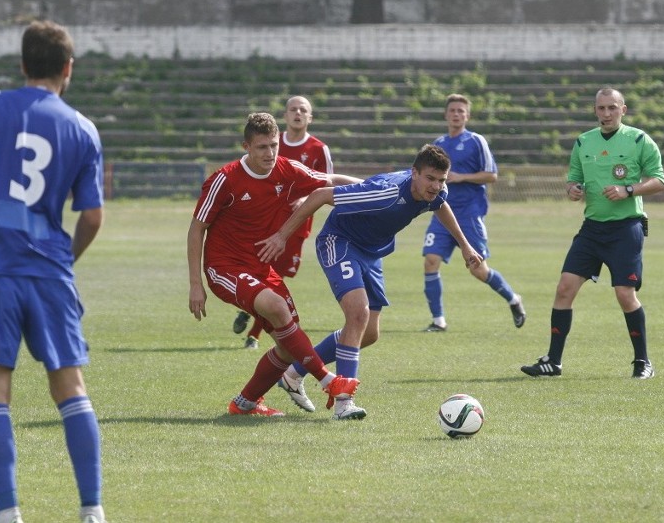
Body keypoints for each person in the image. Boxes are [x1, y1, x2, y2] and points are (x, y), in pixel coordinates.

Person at [0, 20, 107, 523]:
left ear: (22, 64)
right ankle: (92, 510)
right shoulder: (82, 127)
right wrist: (64, 261)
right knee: (70, 387)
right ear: (68, 69)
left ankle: (9, 515)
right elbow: (93, 215)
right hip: (50, 268)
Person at [257, 144, 483, 420]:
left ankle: (294, 374)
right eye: (430, 179)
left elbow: (441, 205)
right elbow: (320, 195)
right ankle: (343, 401)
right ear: (414, 173)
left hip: (372, 253)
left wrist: (466, 246)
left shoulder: (436, 191)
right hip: (340, 241)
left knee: (369, 333)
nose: (436, 186)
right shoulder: (385, 193)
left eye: (441, 180)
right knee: (358, 312)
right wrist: (282, 236)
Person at [187, 112, 361, 417]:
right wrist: (195, 284)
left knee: (286, 345)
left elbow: (330, 183)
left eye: (274, 145)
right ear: (246, 147)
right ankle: (330, 381)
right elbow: (197, 228)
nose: (270, 153)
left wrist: (378, 187)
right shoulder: (224, 179)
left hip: (260, 267)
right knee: (278, 309)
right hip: (223, 267)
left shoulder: (286, 169)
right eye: (262, 147)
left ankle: (245, 403)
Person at [521, 87, 664, 379]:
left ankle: (643, 362)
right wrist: (573, 190)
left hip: (626, 228)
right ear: (595, 110)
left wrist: (629, 189)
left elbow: (659, 180)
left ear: (623, 110)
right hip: (592, 229)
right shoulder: (583, 142)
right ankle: (553, 361)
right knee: (564, 288)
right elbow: (574, 180)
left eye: (612, 108)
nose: (606, 114)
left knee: (624, 294)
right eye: (601, 108)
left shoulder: (639, 140)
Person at [232, 95, 334, 349]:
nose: (297, 113)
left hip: (297, 225)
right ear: (285, 115)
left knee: (277, 275)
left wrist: (304, 200)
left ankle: (251, 314)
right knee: (265, 272)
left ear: (310, 117)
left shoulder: (318, 149)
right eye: (292, 109)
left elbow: (327, 182)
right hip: (267, 221)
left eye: (303, 110)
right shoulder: (272, 143)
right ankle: (254, 335)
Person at [422, 93, 526, 332]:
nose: (456, 114)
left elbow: (492, 175)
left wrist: (462, 177)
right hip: (442, 212)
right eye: (453, 110)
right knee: (430, 261)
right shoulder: (438, 144)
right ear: (446, 115)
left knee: (478, 269)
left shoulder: (476, 141)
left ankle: (513, 298)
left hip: (469, 214)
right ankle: (438, 321)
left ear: (467, 115)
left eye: (461, 111)